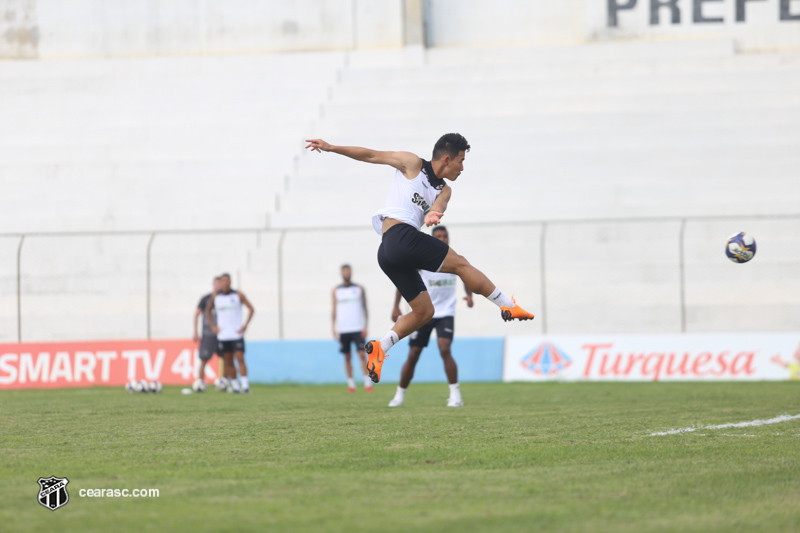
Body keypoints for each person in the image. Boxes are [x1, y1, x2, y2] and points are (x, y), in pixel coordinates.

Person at [305, 133, 534, 383]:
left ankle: (380, 347)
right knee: (461, 264)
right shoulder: (412, 163)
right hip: (399, 236)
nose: (462, 167)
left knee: (424, 312)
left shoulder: (445, 190)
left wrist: (433, 215)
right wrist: (331, 147)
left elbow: (438, 206)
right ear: (446, 159)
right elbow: (371, 155)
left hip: (389, 252)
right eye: (461, 161)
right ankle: (508, 306)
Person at [388, 226, 471, 407]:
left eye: (444, 236)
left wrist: (469, 295)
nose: (442, 238)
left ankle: (455, 395)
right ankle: (399, 394)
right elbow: (404, 282)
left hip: (446, 313)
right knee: (413, 354)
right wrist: (396, 306)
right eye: (438, 236)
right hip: (424, 313)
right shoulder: (422, 260)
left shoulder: (453, 259)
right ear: (432, 239)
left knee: (445, 349)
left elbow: (466, 275)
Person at [205, 273, 255, 393]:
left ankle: (245, 386)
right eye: (223, 281)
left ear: (230, 282)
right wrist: (213, 326)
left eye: (228, 280)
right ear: (220, 283)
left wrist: (245, 326)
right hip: (223, 335)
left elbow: (251, 309)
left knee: (240, 358)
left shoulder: (238, 295)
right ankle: (235, 387)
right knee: (228, 360)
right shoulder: (216, 297)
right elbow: (207, 311)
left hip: (236, 334)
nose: (226, 283)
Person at [332, 264, 373, 393]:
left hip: (358, 327)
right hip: (344, 329)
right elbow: (334, 309)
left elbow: (365, 308)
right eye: (344, 272)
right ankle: (351, 384)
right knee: (347, 357)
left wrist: (365, 325)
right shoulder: (336, 290)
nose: (347, 274)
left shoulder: (359, 288)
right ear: (341, 273)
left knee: (362, 355)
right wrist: (333, 327)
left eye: (348, 271)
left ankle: (367, 383)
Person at [193, 276, 222, 386]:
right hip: (208, 333)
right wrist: (195, 332)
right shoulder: (205, 298)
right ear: (213, 284)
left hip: (221, 334)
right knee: (204, 358)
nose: (218, 285)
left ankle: (223, 382)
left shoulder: (224, 298)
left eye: (220, 283)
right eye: (217, 283)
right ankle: (200, 382)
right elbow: (197, 314)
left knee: (225, 358)